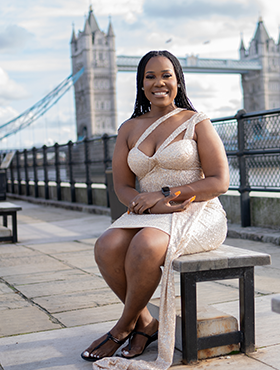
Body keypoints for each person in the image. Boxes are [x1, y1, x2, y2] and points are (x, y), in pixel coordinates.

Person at [81, 50, 229, 370]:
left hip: (196, 211)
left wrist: (167, 195)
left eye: (166, 75)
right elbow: (122, 186)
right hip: (148, 211)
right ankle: (146, 323)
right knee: (106, 246)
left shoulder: (196, 122)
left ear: (178, 81)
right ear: (141, 83)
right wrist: (144, 202)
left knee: (144, 245)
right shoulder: (129, 128)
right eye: (150, 76)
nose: (158, 82)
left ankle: (122, 328)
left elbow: (220, 182)